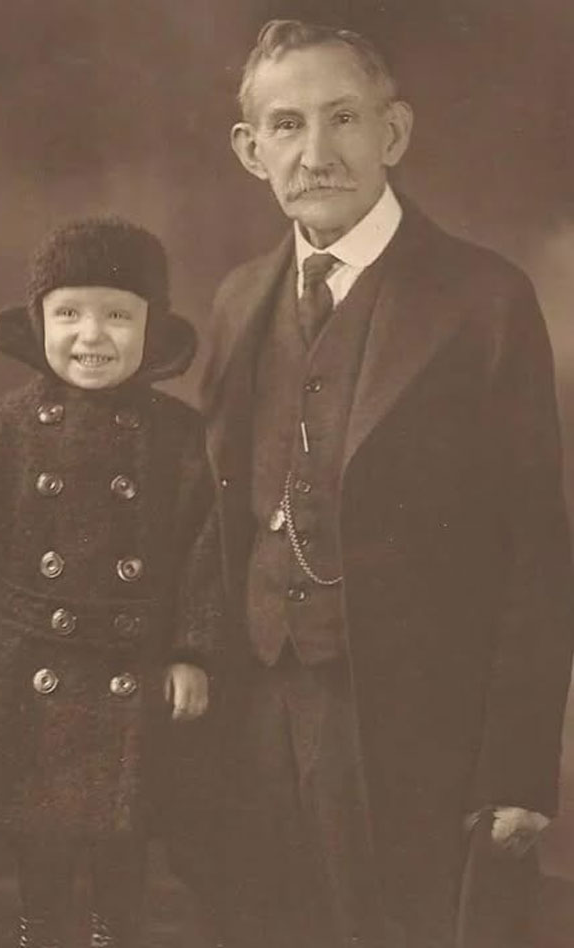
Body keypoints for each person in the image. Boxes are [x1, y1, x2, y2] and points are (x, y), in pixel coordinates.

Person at [198, 19, 574, 948]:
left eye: (343, 119)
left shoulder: (485, 299)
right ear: (251, 151)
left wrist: (518, 774)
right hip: (256, 717)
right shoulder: (239, 298)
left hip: (416, 731)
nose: (316, 153)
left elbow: (536, 547)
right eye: (286, 126)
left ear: (393, 133)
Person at [0, 217, 224, 948]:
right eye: (68, 313)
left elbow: (209, 554)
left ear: (153, 326)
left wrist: (191, 651)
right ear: (37, 320)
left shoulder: (182, 439)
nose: (91, 335)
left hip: (131, 669)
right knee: (37, 843)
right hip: (28, 671)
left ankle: (115, 932)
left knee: (122, 846)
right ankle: (36, 932)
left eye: (118, 314)